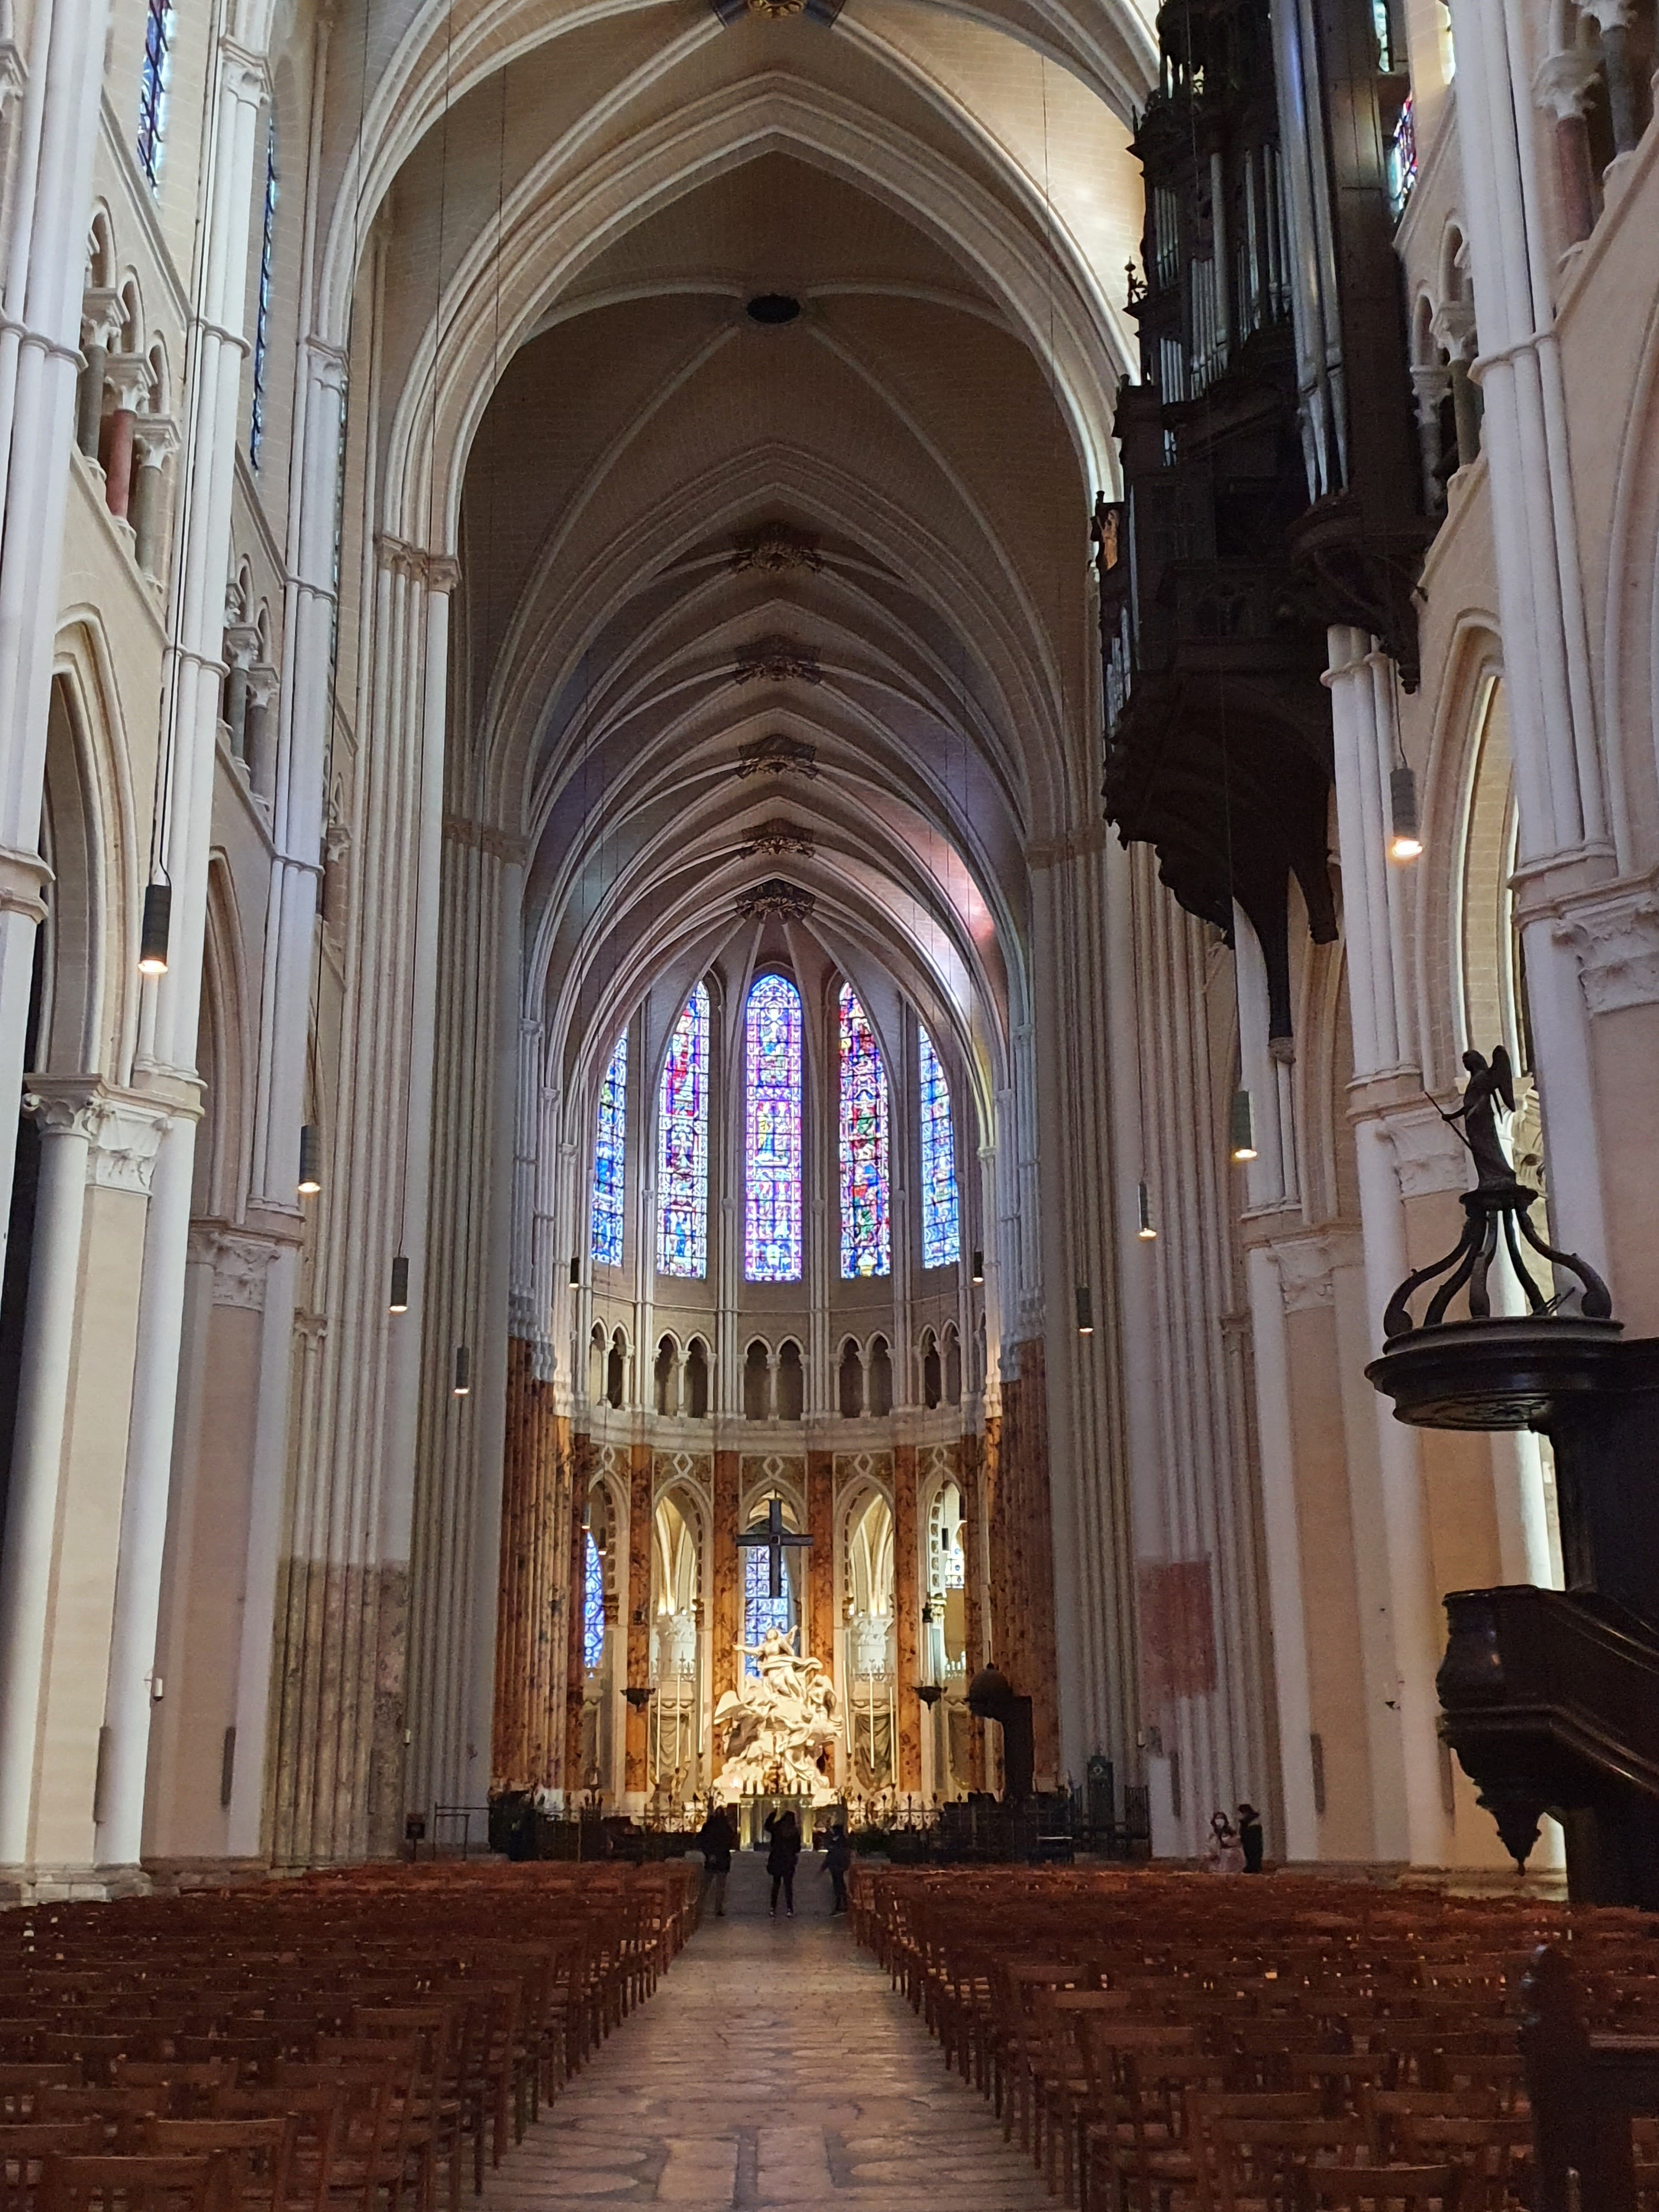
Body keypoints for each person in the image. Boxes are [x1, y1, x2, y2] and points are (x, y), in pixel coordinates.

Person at [695, 1805, 735, 1917]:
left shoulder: (709, 1826)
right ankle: (718, 1908)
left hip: (712, 1859)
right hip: (722, 1858)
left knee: (706, 1886)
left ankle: (699, 1907)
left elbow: (701, 1840)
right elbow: (730, 1841)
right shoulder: (726, 1827)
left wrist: (709, 1853)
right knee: (719, 1886)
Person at [768, 1807, 802, 1917]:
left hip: (777, 1859)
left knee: (776, 1884)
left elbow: (768, 1826)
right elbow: (798, 1848)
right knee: (788, 1886)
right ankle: (789, 1908)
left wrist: (773, 1814)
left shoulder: (778, 1829)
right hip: (788, 1861)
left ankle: (773, 1907)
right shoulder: (794, 1832)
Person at [1204, 1810, 1245, 1875]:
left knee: (1225, 1853)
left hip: (1230, 1856)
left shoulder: (1229, 1831)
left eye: (1221, 1818)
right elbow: (1211, 1846)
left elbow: (1234, 1844)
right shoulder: (1213, 1834)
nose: (1219, 1820)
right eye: (1217, 1818)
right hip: (1218, 1857)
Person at [823, 1821, 851, 1915]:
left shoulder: (838, 1841)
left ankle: (841, 1905)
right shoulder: (842, 1840)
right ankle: (843, 1905)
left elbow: (833, 1853)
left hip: (837, 1865)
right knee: (839, 1886)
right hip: (838, 1865)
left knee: (839, 1887)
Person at [1238, 1802, 1265, 1875]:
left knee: (1254, 1856)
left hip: (1254, 1843)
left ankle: (1255, 1868)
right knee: (1248, 1856)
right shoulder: (1244, 1822)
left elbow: (1254, 1834)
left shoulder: (1254, 1821)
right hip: (1247, 1843)